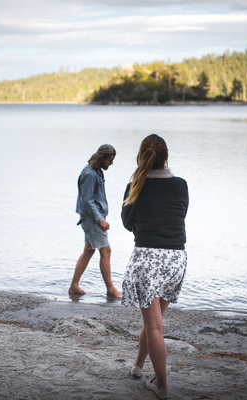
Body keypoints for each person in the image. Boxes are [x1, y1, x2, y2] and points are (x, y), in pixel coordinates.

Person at [121, 134, 189, 400]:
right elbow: (179, 215)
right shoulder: (181, 185)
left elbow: (127, 223)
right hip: (176, 260)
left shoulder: (134, 186)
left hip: (148, 260)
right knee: (153, 323)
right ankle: (138, 367)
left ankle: (161, 385)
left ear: (141, 157)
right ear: (166, 157)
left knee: (154, 326)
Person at [69, 144, 122, 298]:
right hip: (92, 219)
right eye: (110, 160)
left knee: (88, 251)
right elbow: (87, 201)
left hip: (92, 218)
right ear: (102, 158)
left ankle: (74, 286)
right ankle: (111, 289)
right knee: (106, 251)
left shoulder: (96, 171)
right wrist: (101, 220)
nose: (111, 163)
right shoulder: (90, 174)